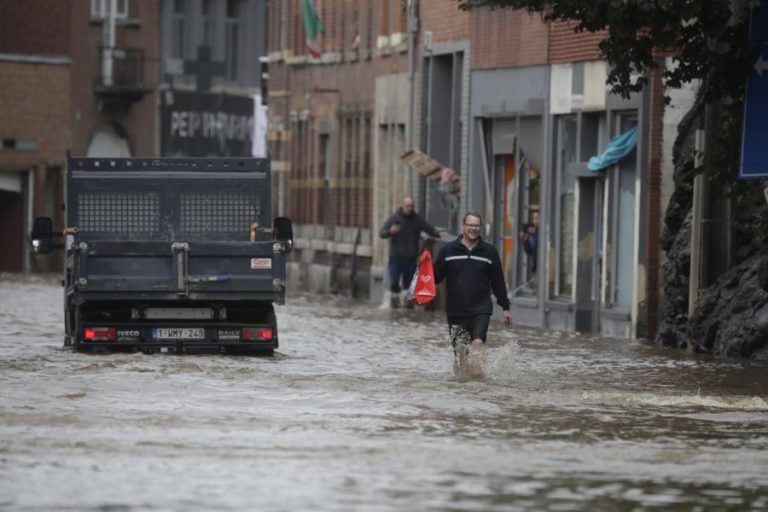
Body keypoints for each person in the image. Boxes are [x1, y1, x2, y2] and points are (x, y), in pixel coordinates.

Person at [434, 211, 512, 375]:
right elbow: (435, 277)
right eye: (470, 225)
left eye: (477, 225)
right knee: (460, 356)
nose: (474, 229)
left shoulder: (489, 252)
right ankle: (463, 386)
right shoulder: (447, 251)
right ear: (463, 226)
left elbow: (498, 281)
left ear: (481, 228)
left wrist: (505, 307)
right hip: (455, 309)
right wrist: (423, 270)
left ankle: (478, 379)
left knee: (478, 342)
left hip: (481, 308)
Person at [379, 196, 447, 308]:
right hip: (396, 257)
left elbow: (429, 228)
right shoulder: (394, 218)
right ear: (402, 206)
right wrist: (390, 231)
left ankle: (407, 309)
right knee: (394, 283)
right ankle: (394, 305)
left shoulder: (417, 220)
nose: (410, 208)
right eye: (408, 206)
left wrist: (438, 233)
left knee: (409, 287)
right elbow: (382, 233)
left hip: (410, 259)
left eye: (412, 206)